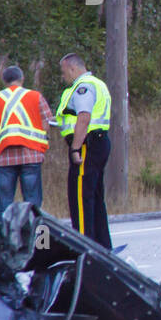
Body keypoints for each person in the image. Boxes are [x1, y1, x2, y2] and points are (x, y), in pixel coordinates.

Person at [0, 64, 52, 226]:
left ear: (4, 80)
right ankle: (37, 242)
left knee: (4, 203)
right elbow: (46, 123)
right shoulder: (35, 96)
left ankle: (4, 242)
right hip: (32, 155)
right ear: (22, 79)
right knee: (33, 202)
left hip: (6, 157)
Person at [56, 53, 113, 249]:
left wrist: (75, 148)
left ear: (72, 69)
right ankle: (102, 246)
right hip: (98, 142)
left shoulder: (83, 87)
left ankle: (83, 248)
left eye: (64, 72)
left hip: (87, 145)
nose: (63, 77)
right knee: (95, 197)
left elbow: (83, 117)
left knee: (80, 198)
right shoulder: (98, 84)